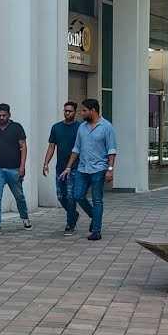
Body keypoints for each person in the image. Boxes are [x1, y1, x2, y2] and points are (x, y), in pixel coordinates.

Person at [60, 99, 116, 241]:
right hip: (82, 168)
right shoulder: (82, 128)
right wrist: (68, 167)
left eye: (84, 110)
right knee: (77, 196)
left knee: (97, 200)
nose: (82, 113)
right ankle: (94, 216)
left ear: (93, 110)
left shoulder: (107, 127)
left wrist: (110, 169)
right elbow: (76, 149)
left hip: (99, 169)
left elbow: (112, 150)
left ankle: (96, 230)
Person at [0, 103, 30, 235]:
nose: (1, 118)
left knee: (19, 196)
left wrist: (22, 167)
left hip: (14, 169)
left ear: (9, 115)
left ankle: (25, 217)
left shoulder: (16, 128)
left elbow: (23, 147)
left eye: (4, 115)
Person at [42, 101, 80, 235]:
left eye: (69, 111)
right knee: (60, 196)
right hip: (60, 168)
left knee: (70, 196)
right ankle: (73, 214)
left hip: (75, 168)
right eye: (65, 110)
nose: (67, 113)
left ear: (75, 112)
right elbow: (51, 147)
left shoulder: (80, 127)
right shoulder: (56, 127)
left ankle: (70, 224)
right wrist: (46, 163)